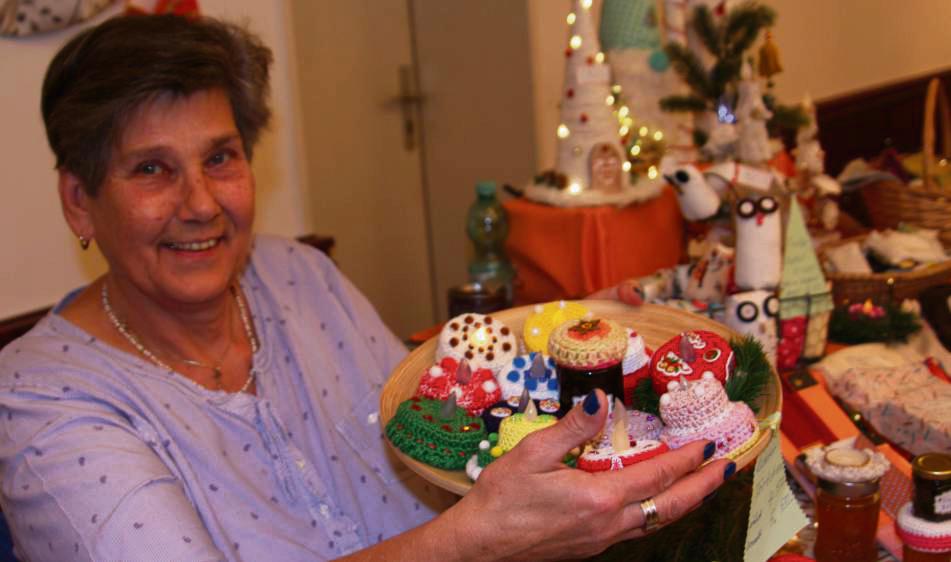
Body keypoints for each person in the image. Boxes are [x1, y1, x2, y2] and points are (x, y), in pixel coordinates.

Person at [0, 14, 732, 561]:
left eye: (219, 157)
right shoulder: (39, 400)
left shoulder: (297, 276)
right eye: (151, 170)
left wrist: (577, 354)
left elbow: (442, 427)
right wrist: (472, 541)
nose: (198, 203)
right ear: (78, 201)